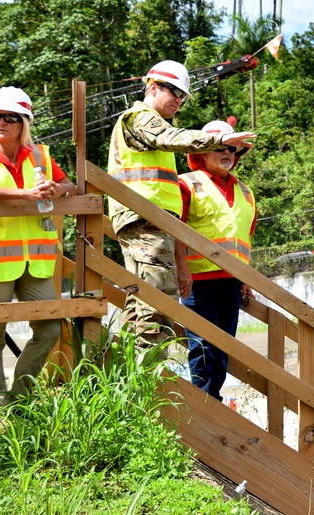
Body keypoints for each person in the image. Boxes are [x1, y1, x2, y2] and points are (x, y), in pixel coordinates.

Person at [106, 60, 255, 359]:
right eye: (173, 90)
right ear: (151, 87)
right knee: (156, 302)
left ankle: (132, 374)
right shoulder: (140, 118)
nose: (178, 99)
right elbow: (171, 138)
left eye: (182, 95)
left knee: (143, 303)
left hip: (151, 221)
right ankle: (151, 381)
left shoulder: (149, 125)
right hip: (145, 221)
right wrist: (218, 138)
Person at [0, 86, 77, 409]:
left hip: (35, 262)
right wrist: (24, 195)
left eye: (10, 117)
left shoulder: (40, 155)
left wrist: (58, 188)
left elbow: (72, 186)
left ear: (23, 122)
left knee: (51, 328)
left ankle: (19, 398)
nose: (1, 122)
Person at [177, 120, 257, 400]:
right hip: (197, 282)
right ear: (203, 152)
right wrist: (182, 269)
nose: (228, 154)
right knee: (201, 346)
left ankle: (213, 401)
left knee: (223, 346)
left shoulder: (246, 192)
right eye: (221, 147)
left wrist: (245, 278)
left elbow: (245, 238)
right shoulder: (187, 184)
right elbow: (176, 230)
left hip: (232, 283)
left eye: (233, 150)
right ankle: (203, 404)